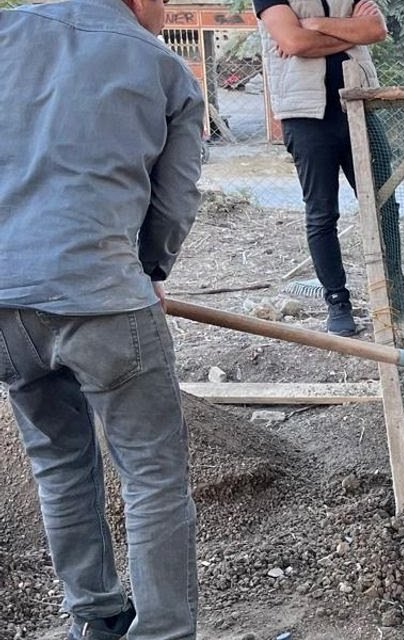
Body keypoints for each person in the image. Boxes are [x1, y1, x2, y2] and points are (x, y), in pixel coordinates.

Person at [0, 0, 204, 638]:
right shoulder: (164, 68)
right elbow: (174, 201)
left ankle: (93, 618)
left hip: (5, 306)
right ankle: (163, 631)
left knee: (58, 463)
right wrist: (149, 268)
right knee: (152, 476)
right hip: (104, 300)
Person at [256, 0, 404, 336]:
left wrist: (314, 24)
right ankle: (338, 302)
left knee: (384, 204)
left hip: (359, 105)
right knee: (322, 214)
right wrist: (348, 34)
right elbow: (293, 42)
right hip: (306, 115)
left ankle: (396, 292)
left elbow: (375, 29)